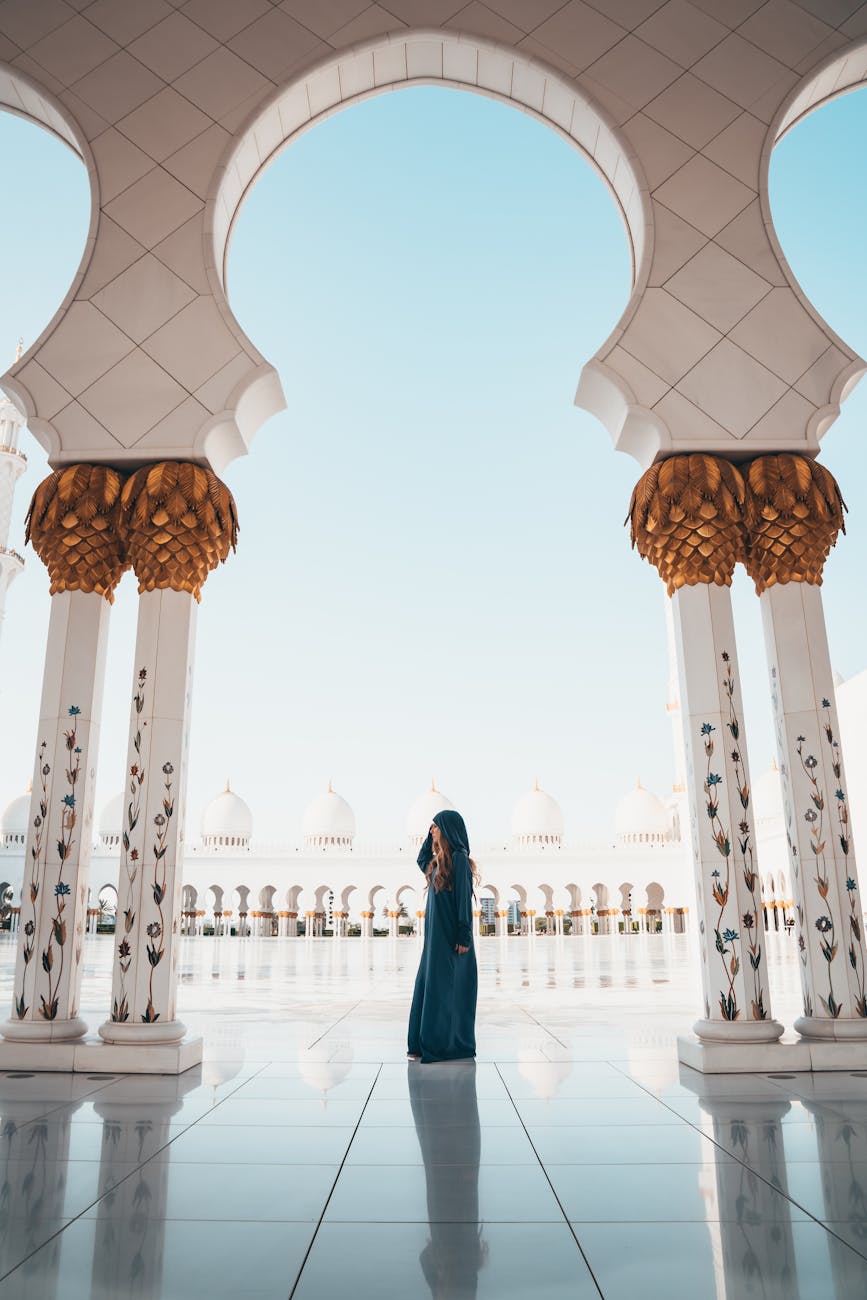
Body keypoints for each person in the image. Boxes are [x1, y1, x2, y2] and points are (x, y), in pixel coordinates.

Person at [407, 809, 478, 1064]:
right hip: (433, 940)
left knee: (445, 990)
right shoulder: (438, 863)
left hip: (450, 938)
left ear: (447, 830)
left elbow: (463, 902)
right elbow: (420, 859)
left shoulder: (460, 859)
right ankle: (419, 1044)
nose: (432, 830)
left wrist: (464, 935)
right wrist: (428, 837)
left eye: (436, 827)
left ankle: (443, 1045)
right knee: (428, 987)